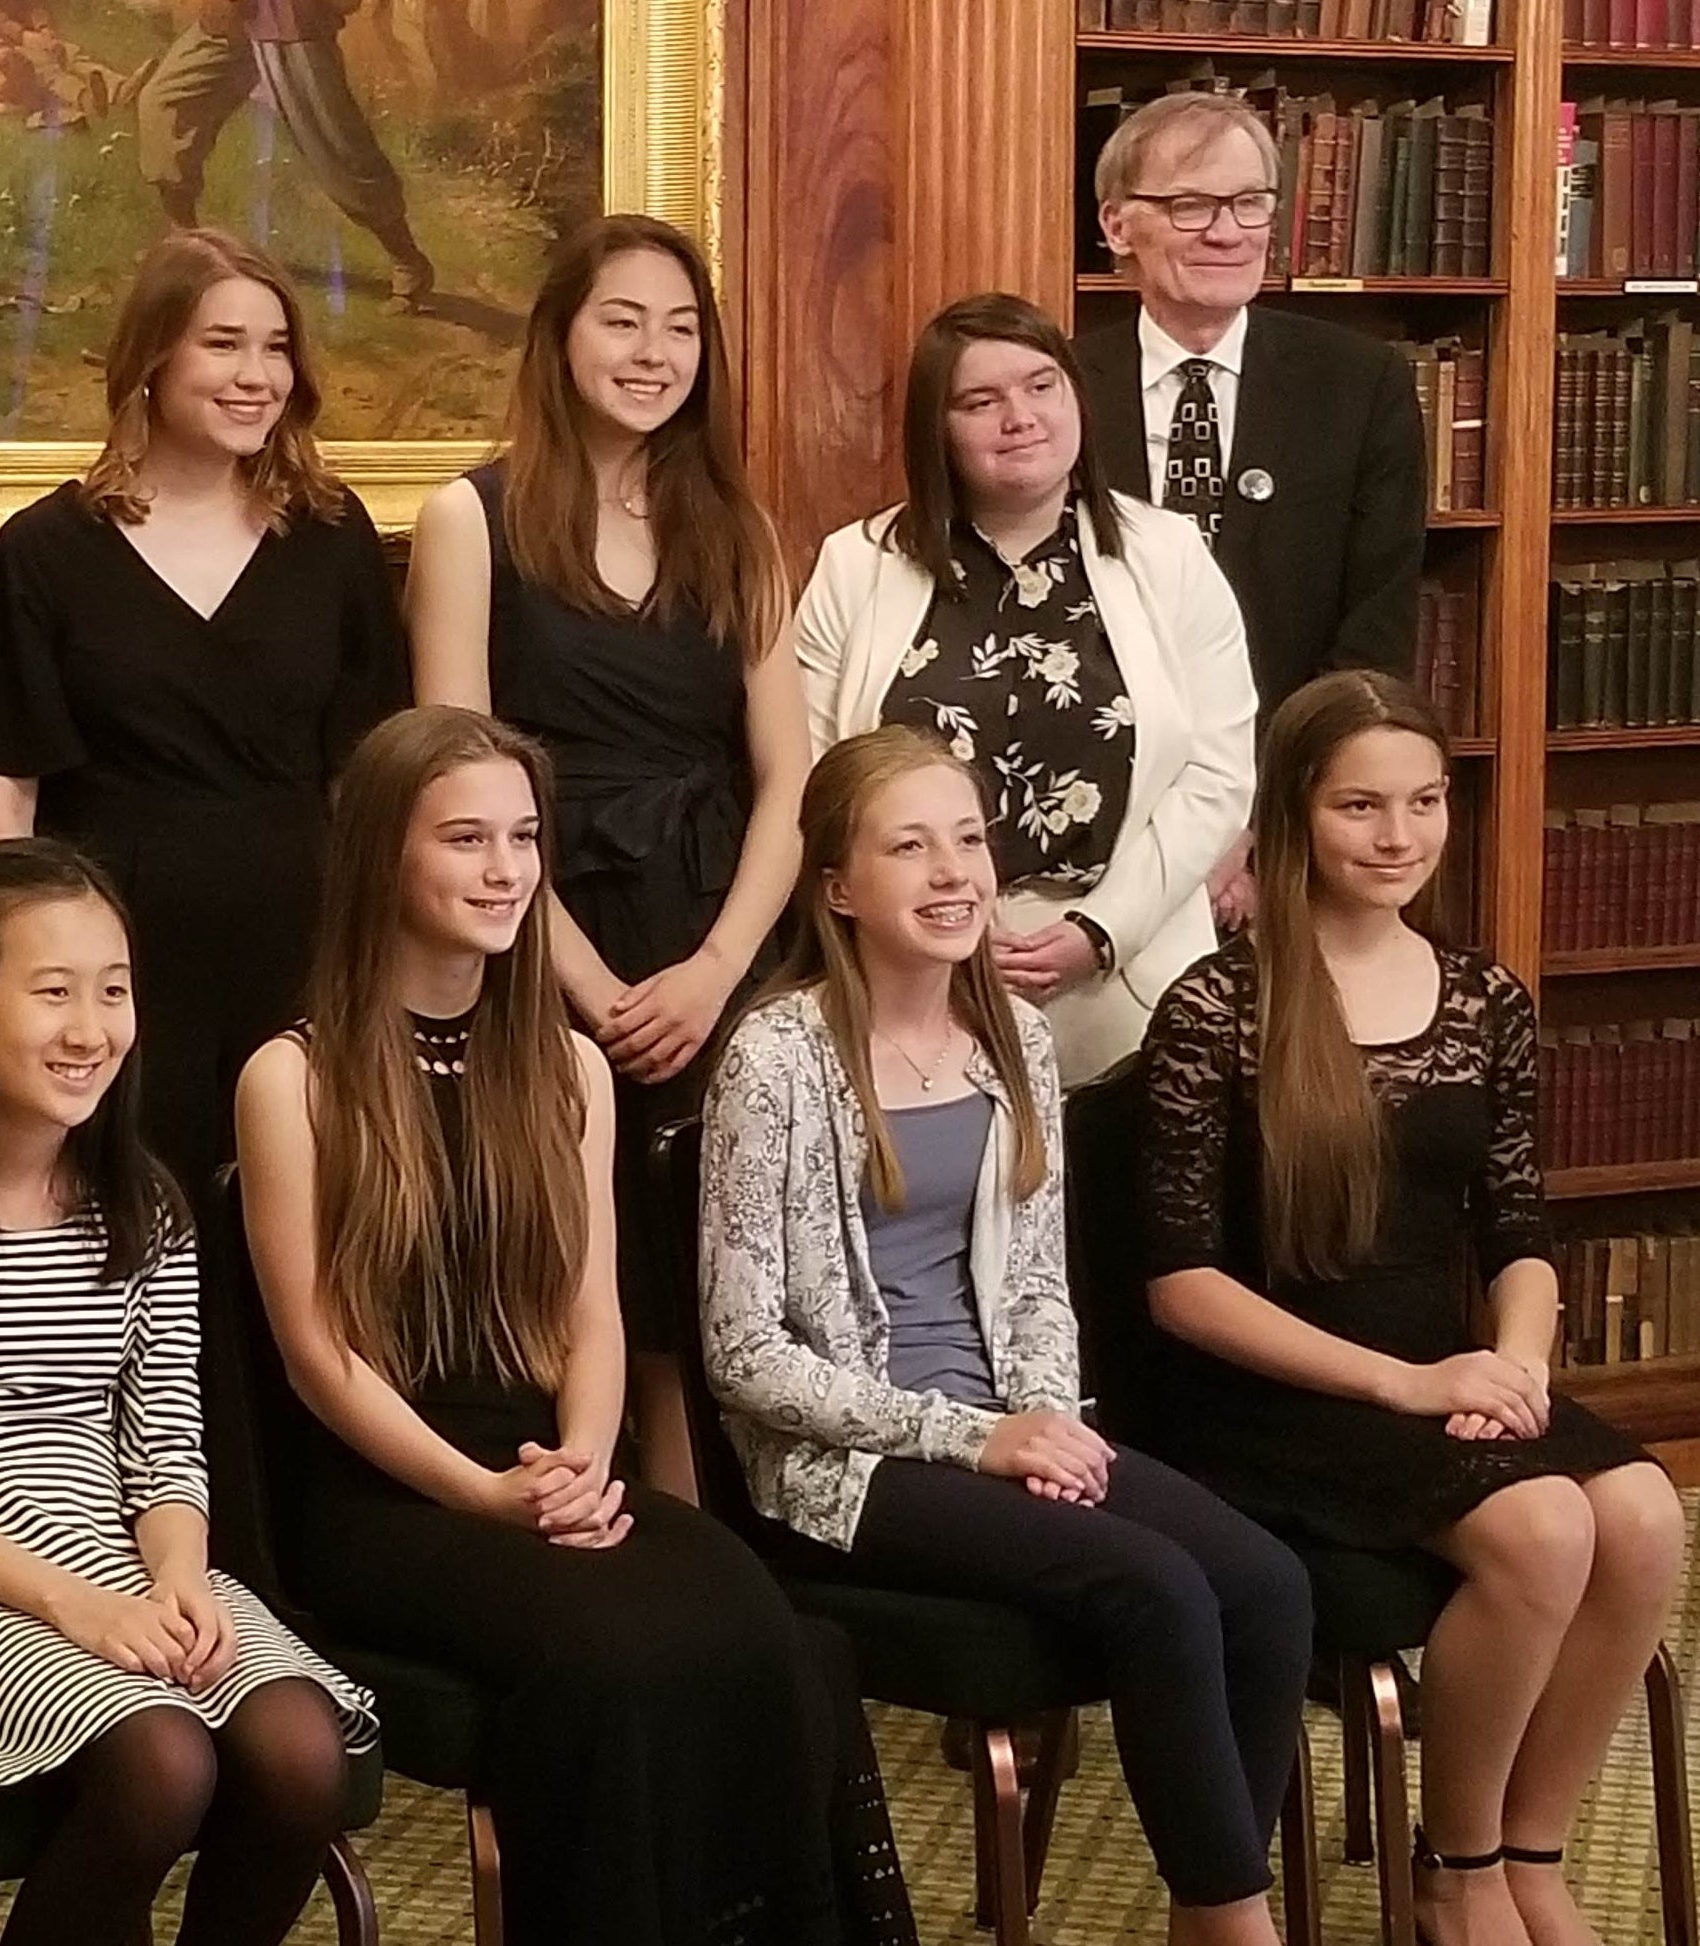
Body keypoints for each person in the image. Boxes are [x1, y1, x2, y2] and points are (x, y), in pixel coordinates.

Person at [236, 705, 914, 1946]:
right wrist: (485, 1495)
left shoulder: (568, 1065)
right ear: (385, 853)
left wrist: (588, 1457)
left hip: (551, 1465)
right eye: (465, 840)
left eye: (524, 837)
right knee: (613, 1661)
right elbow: (317, 1357)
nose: (506, 870)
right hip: (383, 1494)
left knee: (766, 1627)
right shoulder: (295, 1073)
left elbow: (590, 1311)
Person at [698, 726, 1312, 1946]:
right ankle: (1235, 1923)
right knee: (1159, 1588)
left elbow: (1039, 1290)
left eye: (968, 839)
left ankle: (1210, 1913)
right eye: (909, 846)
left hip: (1007, 1431)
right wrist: (976, 1436)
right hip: (850, 1465)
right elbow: (743, 1353)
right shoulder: (773, 1056)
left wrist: (1046, 1427)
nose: (952, 872)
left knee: (1269, 1583)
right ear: (837, 889)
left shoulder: (1017, 1041)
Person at [1137, 670, 1686, 1946]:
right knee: (1547, 1528)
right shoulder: (1219, 1007)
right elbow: (1180, 1283)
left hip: (1447, 1364)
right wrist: (1411, 1383)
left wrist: (1520, 1358)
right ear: (1293, 817)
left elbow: (1519, 1228)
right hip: (1269, 1391)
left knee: (1647, 1513)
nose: (1400, 836)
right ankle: (1455, 1872)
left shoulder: (1486, 997)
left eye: (1426, 801)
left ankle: (1531, 1848)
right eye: (1362, 806)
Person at [0, 838, 374, 1946]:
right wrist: (83, 1609)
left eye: (113, 990)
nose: (91, 1026)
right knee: (163, 1755)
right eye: (52, 991)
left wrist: (177, 1577)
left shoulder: (146, 1205)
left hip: (119, 1539)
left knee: (302, 1751)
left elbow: (166, 1438)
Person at [404, 210, 799, 1501]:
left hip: (715, 926)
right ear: (561, 334)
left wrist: (714, 967)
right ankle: (603, 1513)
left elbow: (789, 773)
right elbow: (451, 773)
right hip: (532, 926)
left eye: (682, 327)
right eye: (622, 319)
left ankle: (735, 1553)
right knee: (581, 1256)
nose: (655, 351)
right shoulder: (472, 516)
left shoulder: (734, 526)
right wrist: (583, 983)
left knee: (710, 1265)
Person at [0, 224, 405, 1201]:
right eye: (223, 343)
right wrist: (27, 963)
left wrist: (370, 952)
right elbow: (2, 781)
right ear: (153, 357)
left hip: (298, 933)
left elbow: (368, 772)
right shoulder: (50, 547)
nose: (255, 375)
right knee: (133, 1211)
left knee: (302, 1212)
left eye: (276, 348)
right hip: (113, 952)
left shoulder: (333, 536)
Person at [789, 290, 1257, 1087]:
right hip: (914, 969)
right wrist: (944, 926)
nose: (1020, 416)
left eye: (1041, 385)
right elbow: (818, 778)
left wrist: (1101, 929)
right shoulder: (854, 563)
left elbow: (1218, 775)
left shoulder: (1168, 554)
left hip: (1125, 970)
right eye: (981, 400)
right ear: (936, 427)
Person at [1073, 91, 1427, 930]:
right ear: (1117, 226)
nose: (1226, 232)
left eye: (1249, 203)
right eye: (1189, 206)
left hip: (1303, 828)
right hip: (1102, 834)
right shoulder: (1060, 391)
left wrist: (1259, 830)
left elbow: (1372, 630)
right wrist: (1178, 845)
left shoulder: (1360, 383)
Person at [133, 0, 433, 306]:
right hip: (231, 21)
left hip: (294, 27)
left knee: (337, 146)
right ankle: (184, 236)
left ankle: (406, 260)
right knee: (164, 103)